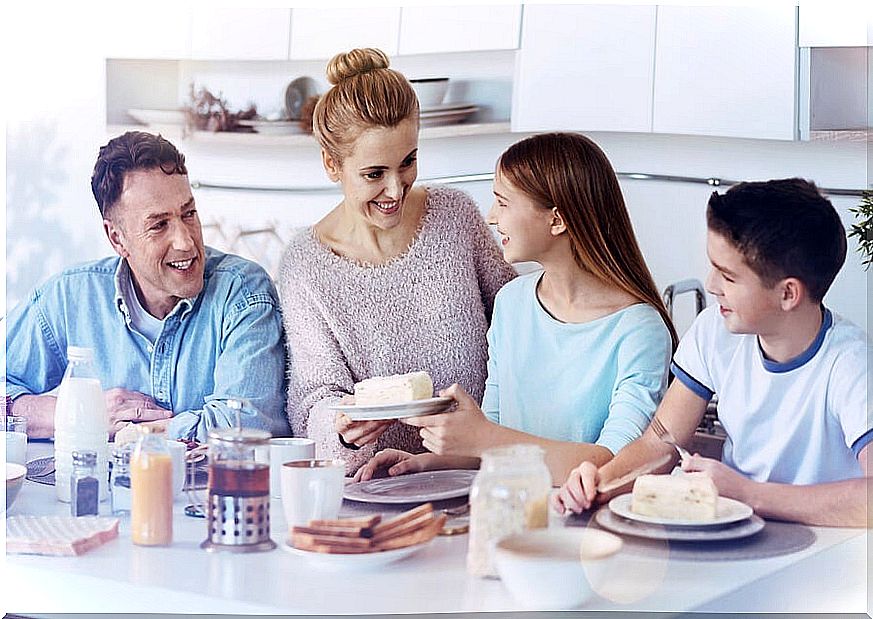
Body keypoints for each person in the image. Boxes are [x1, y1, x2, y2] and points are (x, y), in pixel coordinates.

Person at [356, 132, 677, 484]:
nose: (492, 218)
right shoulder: (512, 304)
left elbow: (614, 464)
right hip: (511, 511)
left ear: (557, 220)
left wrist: (483, 438)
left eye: (503, 202)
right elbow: (495, 440)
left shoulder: (639, 330)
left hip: (587, 530)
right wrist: (428, 463)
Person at [554, 178, 872, 527]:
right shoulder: (714, 331)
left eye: (728, 276)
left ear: (788, 294)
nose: (711, 285)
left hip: (825, 551)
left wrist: (749, 493)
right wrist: (603, 481)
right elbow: (662, 439)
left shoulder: (851, 364)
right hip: (738, 531)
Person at [280, 48, 515, 475]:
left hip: (479, 474)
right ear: (332, 164)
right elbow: (313, 399)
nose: (395, 189)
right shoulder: (305, 266)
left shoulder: (455, 217)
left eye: (408, 162)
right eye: (374, 174)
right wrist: (342, 427)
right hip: (377, 486)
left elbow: (521, 325)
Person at [4, 131, 288, 441]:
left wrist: (140, 432)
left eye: (188, 213)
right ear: (117, 238)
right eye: (159, 225)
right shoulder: (71, 297)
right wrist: (79, 413)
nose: (185, 241)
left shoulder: (242, 294)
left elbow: (246, 426)